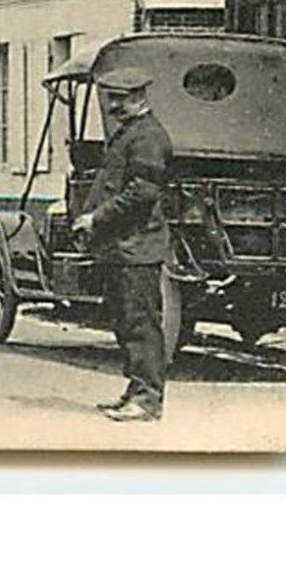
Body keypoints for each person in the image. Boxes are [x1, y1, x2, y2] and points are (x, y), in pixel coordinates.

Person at [69, 66, 174, 423]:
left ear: (139, 98)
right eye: (111, 98)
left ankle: (147, 399)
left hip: (137, 246)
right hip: (123, 246)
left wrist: (96, 218)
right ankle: (135, 390)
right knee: (126, 321)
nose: (113, 105)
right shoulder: (131, 133)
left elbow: (142, 192)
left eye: (120, 99)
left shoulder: (147, 137)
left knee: (140, 322)